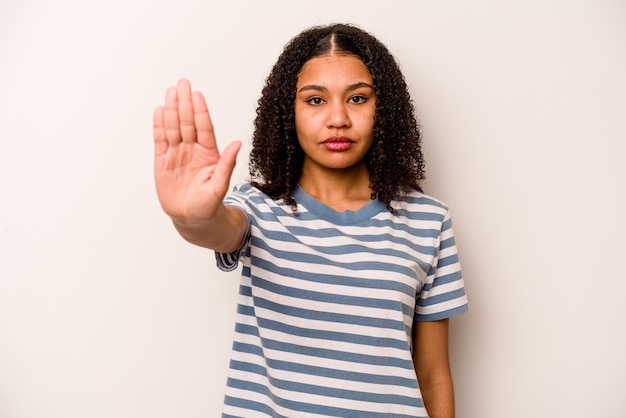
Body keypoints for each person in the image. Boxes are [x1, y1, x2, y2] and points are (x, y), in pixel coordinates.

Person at [153, 23, 468, 418]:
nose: (338, 118)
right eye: (315, 100)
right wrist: (192, 217)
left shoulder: (428, 220)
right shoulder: (256, 208)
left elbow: (434, 373)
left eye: (357, 98)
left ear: (384, 109)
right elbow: (219, 229)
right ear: (289, 112)